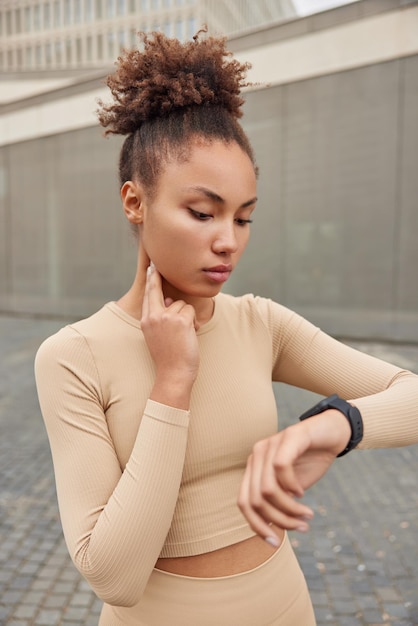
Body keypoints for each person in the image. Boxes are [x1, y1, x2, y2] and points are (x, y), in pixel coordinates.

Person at [34, 31, 418, 626]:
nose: (228, 241)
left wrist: (334, 426)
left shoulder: (258, 322)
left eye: (244, 217)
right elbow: (113, 574)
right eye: (202, 212)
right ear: (135, 202)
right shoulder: (73, 356)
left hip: (284, 606)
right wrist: (172, 382)